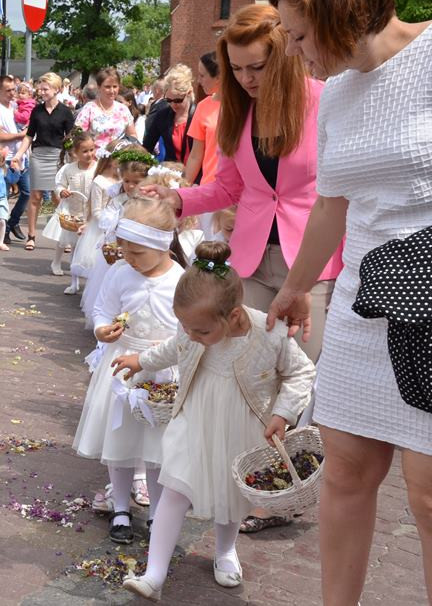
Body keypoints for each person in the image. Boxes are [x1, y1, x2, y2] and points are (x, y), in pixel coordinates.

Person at [268, 0, 432, 603]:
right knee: (345, 473)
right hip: (360, 302)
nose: (294, 52)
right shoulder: (338, 93)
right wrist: (295, 286)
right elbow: (332, 204)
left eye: (299, 36)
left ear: (342, 15)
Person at [115, 241, 313, 601]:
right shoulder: (193, 326)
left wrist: (283, 413)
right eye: (186, 327)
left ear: (234, 316)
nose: (192, 336)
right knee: (174, 488)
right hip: (194, 418)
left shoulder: (269, 333)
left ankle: (225, 551)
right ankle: (154, 574)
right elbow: (174, 347)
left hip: (241, 425)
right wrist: (140, 360)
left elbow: (301, 372)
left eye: (201, 332)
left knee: (230, 494)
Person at [145, 3, 341, 364]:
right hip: (251, 261)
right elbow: (227, 188)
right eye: (236, 69)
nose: (246, 79)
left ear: (284, 57)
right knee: (246, 368)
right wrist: (178, 198)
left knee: (303, 372)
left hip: (311, 264)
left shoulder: (325, 101)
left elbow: (340, 194)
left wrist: (305, 279)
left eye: (257, 67)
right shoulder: (237, 113)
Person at [73, 197, 185, 545]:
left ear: (162, 246)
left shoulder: (180, 279)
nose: (130, 259)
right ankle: (120, 507)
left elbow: (186, 329)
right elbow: (103, 309)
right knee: (119, 439)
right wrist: (102, 329)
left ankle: (156, 513)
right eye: (125, 251)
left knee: (156, 447)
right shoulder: (121, 273)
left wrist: (166, 351)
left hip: (161, 370)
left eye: (137, 253)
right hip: (122, 365)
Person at [79, 146, 156, 327]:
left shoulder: (150, 202)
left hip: (139, 250)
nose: (130, 186)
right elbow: (107, 220)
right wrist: (115, 224)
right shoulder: (118, 199)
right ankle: (107, 320)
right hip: (117, 250)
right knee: (111, 285)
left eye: (136, 182)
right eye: (126, 181)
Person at [11, 72, 76, 253]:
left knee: (57, 198)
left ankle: (64, 237)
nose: (41, 92)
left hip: (57, 157)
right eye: (40, 89)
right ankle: (31, 236)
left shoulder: (65, 112)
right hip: (38, 156)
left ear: (56, 89)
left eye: (45, 89)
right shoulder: (37, 110)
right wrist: (19, 155)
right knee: (36, 196)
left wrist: (74, 160)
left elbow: (71, 139)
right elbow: (29, 135)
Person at [42, 131, 96, 290]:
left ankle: (90, 279)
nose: (89, 154)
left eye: (92, 150)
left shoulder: (98, 168)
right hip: (73, 213)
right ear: (75, 153)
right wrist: (62, 191)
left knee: (90, 248)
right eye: (85, 151)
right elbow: (59, 185)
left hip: (92, 214)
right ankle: (72, 279)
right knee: (71, 244)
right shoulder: (69, 169)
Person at [0, 75, 29, 245]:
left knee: (27, 192)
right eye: (8, 90)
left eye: (14, 89)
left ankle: (13, 222)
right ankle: (3, 231)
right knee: (3, 197)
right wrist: (21, 135)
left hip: (21, 156)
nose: (12, 93)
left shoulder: (16, 106)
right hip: (5, 159)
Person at [141, 64, 197, 164]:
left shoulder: (198, 114)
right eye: (168, 100)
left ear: (189, 93)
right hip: (172, 170)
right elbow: (147, 147)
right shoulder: (162, 115)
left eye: (178, 100)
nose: (173, 105)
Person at [75, 67, 137, 151]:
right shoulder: (89, 109)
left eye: (115, 86)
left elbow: (132, 135)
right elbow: (78, 136)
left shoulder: (123, 109)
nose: (112, 91)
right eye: (107, 87)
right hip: (95, 156)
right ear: (99, 87)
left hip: (119, 156)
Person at [185, 52, 222, 185]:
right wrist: (183, 187)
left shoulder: (245, 106)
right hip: (209, 187)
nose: (198, 81)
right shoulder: (202, 106)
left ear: (218, 77)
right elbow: (195, 155)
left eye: (202, 75)